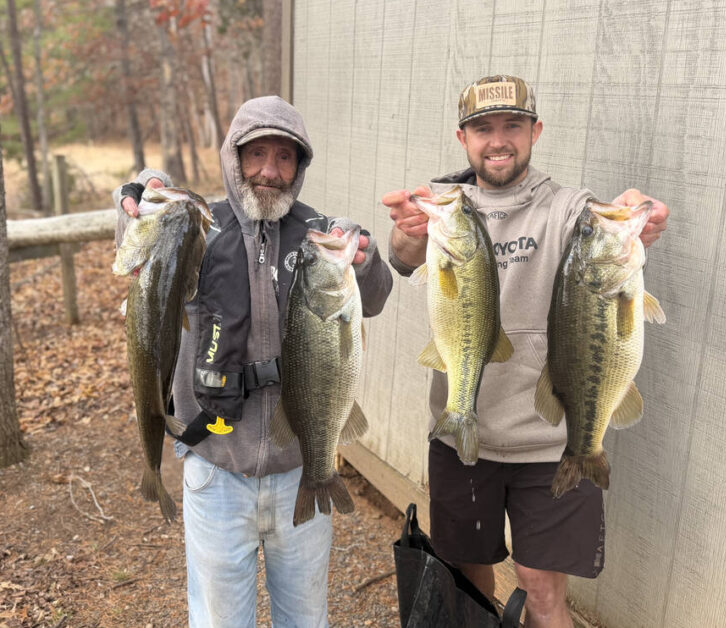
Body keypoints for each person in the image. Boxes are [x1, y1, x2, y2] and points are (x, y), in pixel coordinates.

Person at [383, 75, 668, 628]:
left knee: (542, 591)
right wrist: (407, 236)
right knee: (463, 575)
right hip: (461, 432)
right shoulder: (447, 207)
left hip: (550, 440)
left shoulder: (568, 209)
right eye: (483, 128)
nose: (498, 140)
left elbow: (612, 225)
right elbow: (403, 252)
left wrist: (640, 215)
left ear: (535, 131)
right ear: (462, 137)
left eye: (512, 125)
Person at [113, 95, 393, 628]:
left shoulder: (319, 235)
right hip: (215, 462)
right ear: (233, 158)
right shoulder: (193, 228)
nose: (270, 170)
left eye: (285, 157)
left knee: (306, 617)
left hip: (299, 467)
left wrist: (367, 258)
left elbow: (374, 296)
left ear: (300, 166)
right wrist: (138, 190)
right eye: (257, 154)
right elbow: (136, 233)